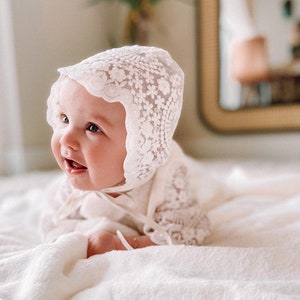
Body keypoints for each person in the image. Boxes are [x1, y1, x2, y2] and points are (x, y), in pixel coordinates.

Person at [40, 45, 210, 257]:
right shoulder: (76, 174)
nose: (66, 138)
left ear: (137, 145)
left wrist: (127, 244)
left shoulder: (165, 181)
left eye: (93, 128)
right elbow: (55, 220)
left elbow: (188, 231)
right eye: (64, 119)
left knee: (207, 185)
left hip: (184, 179)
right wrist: (74, 238)